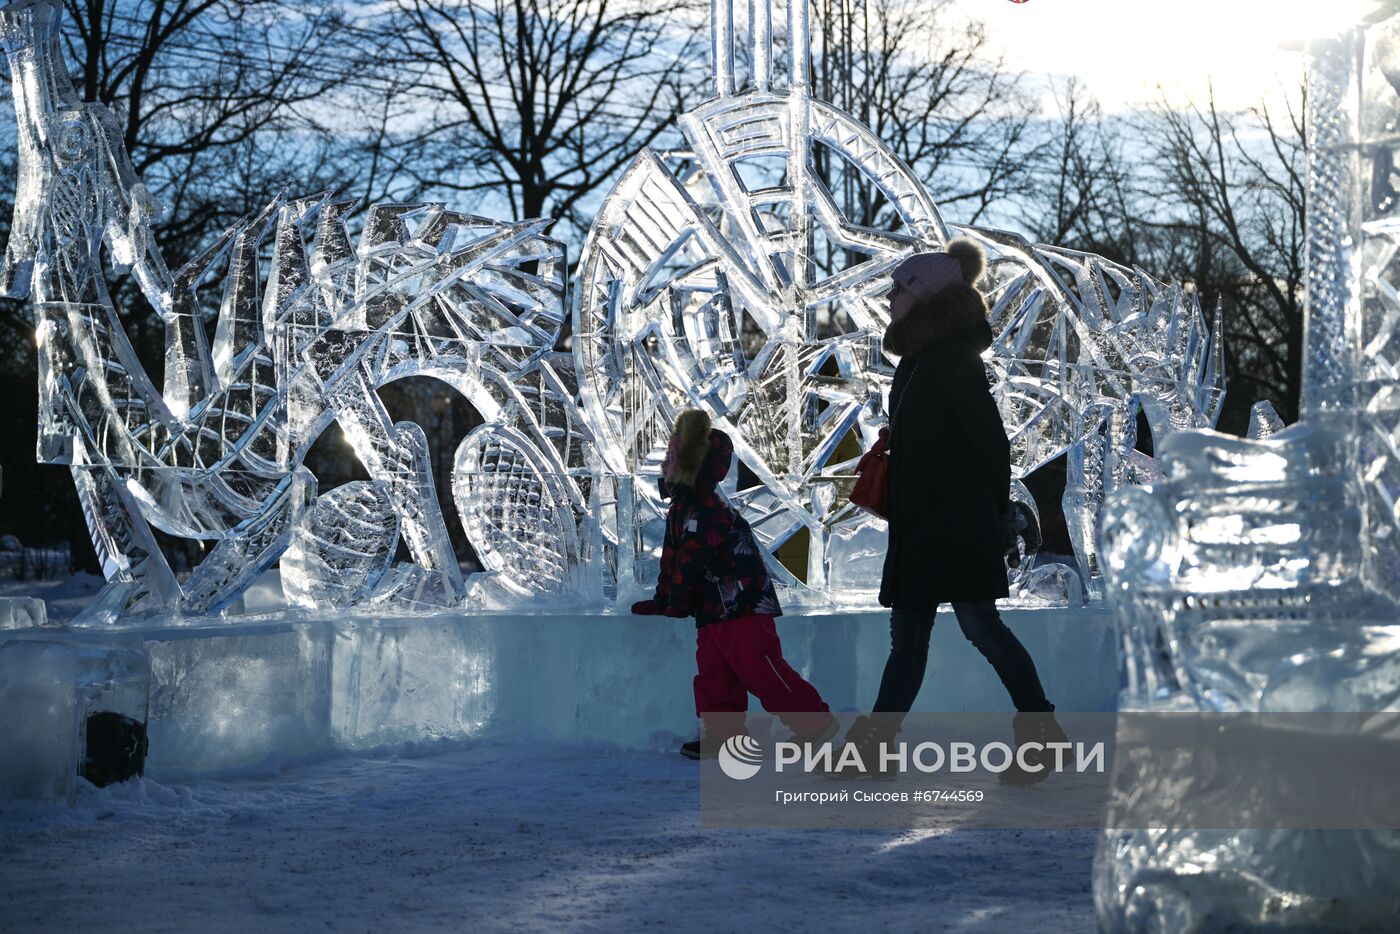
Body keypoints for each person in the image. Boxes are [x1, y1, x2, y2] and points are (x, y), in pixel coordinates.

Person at [845, 238, 1067, 784]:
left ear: (926, 299)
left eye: (900, 288)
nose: (891, 296)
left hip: (955, 522)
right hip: (928, 522)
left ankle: (1042, 734)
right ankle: (877, 745)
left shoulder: (950, 359)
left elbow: (992, 444)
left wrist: (992, 514)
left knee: (979, 627)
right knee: (919, 636)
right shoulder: (924, 359)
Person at [632, 409, 837, 759]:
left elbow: (690, 561)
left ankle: (815, 723)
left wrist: (675, 604)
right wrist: (663, 598)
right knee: (715, 673)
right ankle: (723, 736)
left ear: (689, 465)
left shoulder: (705, 508)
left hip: (742, 606)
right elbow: (673, 558)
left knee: (762, 670)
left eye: (672, 456)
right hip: (712, 608)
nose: (664, 461)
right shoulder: (683, 505)